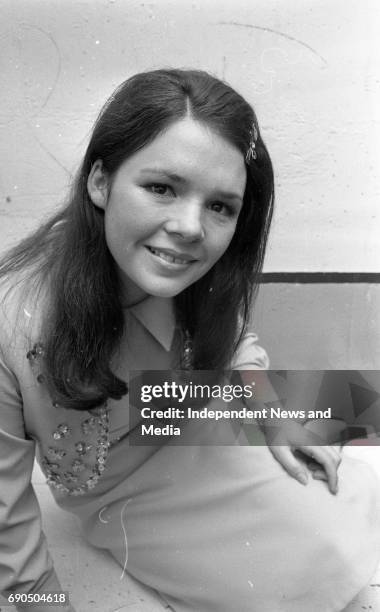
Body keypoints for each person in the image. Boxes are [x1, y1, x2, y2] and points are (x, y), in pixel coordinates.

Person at [0, 68, 379, 612]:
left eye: (220, 206)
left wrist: (273, 419)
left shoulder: (194, 268)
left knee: (336, 511)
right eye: (161, 188)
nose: (190, 227)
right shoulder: (12, 322)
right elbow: (8, 533)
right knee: (308, 572)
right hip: (119, 492)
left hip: (193, 420)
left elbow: (233, 336)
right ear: (100, 181)